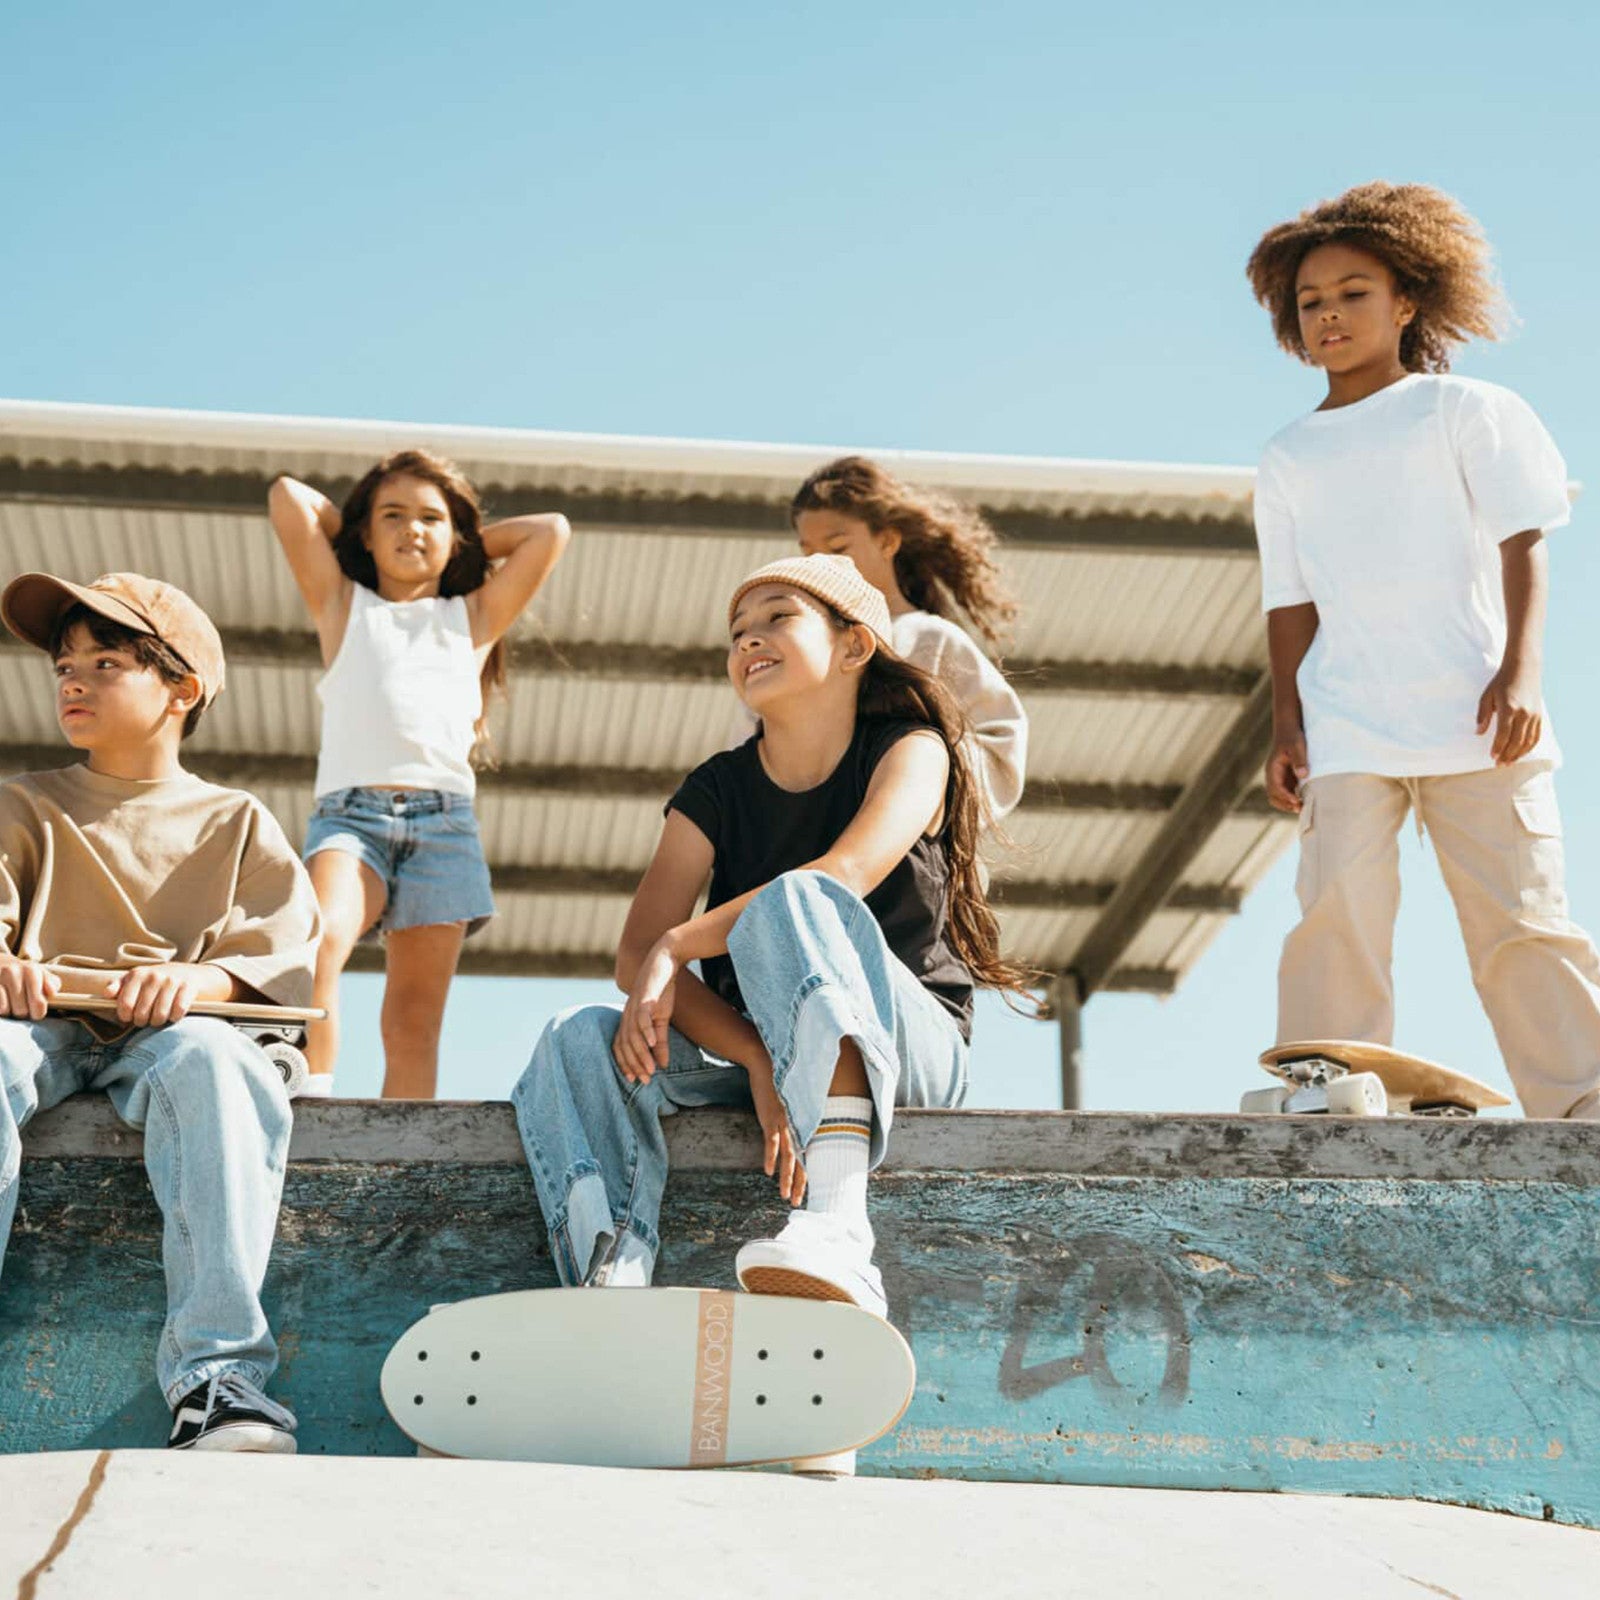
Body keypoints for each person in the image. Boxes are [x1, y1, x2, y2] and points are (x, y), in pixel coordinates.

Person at [511, 554, 1033, 1313]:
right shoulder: (717, 788)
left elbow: (839, 879)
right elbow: (633, 957)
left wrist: (679, 944)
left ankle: (837, 1225)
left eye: (778, 618)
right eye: (737, 633)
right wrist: (754, 1053)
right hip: (776, 1064)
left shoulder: (913, 750)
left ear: (855, 646)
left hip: (908, 1053)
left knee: (801, 897)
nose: (749, 641)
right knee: (576, 1037)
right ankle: (609, 1277)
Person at [1247, 180, 1600, 1119]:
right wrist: (1287, 724)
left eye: (1353, 292)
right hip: (1347, 727)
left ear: (1407, 300)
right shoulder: (1288, 455)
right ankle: (1326, 1099)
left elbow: (1527, 543)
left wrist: (1520, 671)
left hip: (1481, 719)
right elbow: (1291, 604)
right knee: (1336, 919)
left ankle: (1584, 1109)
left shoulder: (1467, 410)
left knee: (1521, 925)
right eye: (1311, 301)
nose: (1329, 314)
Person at [0, 571, 321, 1450]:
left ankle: (218, 1382)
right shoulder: (21, 805)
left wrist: (198, 983)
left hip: (172, 1037)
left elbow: (279, 960)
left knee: (218, 1063)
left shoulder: (237, 822)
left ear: (182, 689)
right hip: (36, 1029)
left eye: (105, 662)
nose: (72, 680)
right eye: (65, 664)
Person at [267, 453, 570, 1098]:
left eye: (431, 518)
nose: (413, 530)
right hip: (351, 822)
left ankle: (401, 1168)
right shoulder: (344, 605)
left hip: (444, 830)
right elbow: (289, 496)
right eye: (394, 517)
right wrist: (357, 535)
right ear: (366, 535)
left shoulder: (474, 619)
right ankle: (311, 1099)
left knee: (413, 1020)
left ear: (453, 535)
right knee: (319, 942)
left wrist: (462, 546)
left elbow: (551, 531)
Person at [790, 455, 1027, 822]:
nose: (823, 565)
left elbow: (1001, 749)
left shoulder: (930, 639)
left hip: (911, 863)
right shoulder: (792, 647)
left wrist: (914, 780)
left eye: (838, 549)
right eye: (808, 553)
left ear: (886, 541)